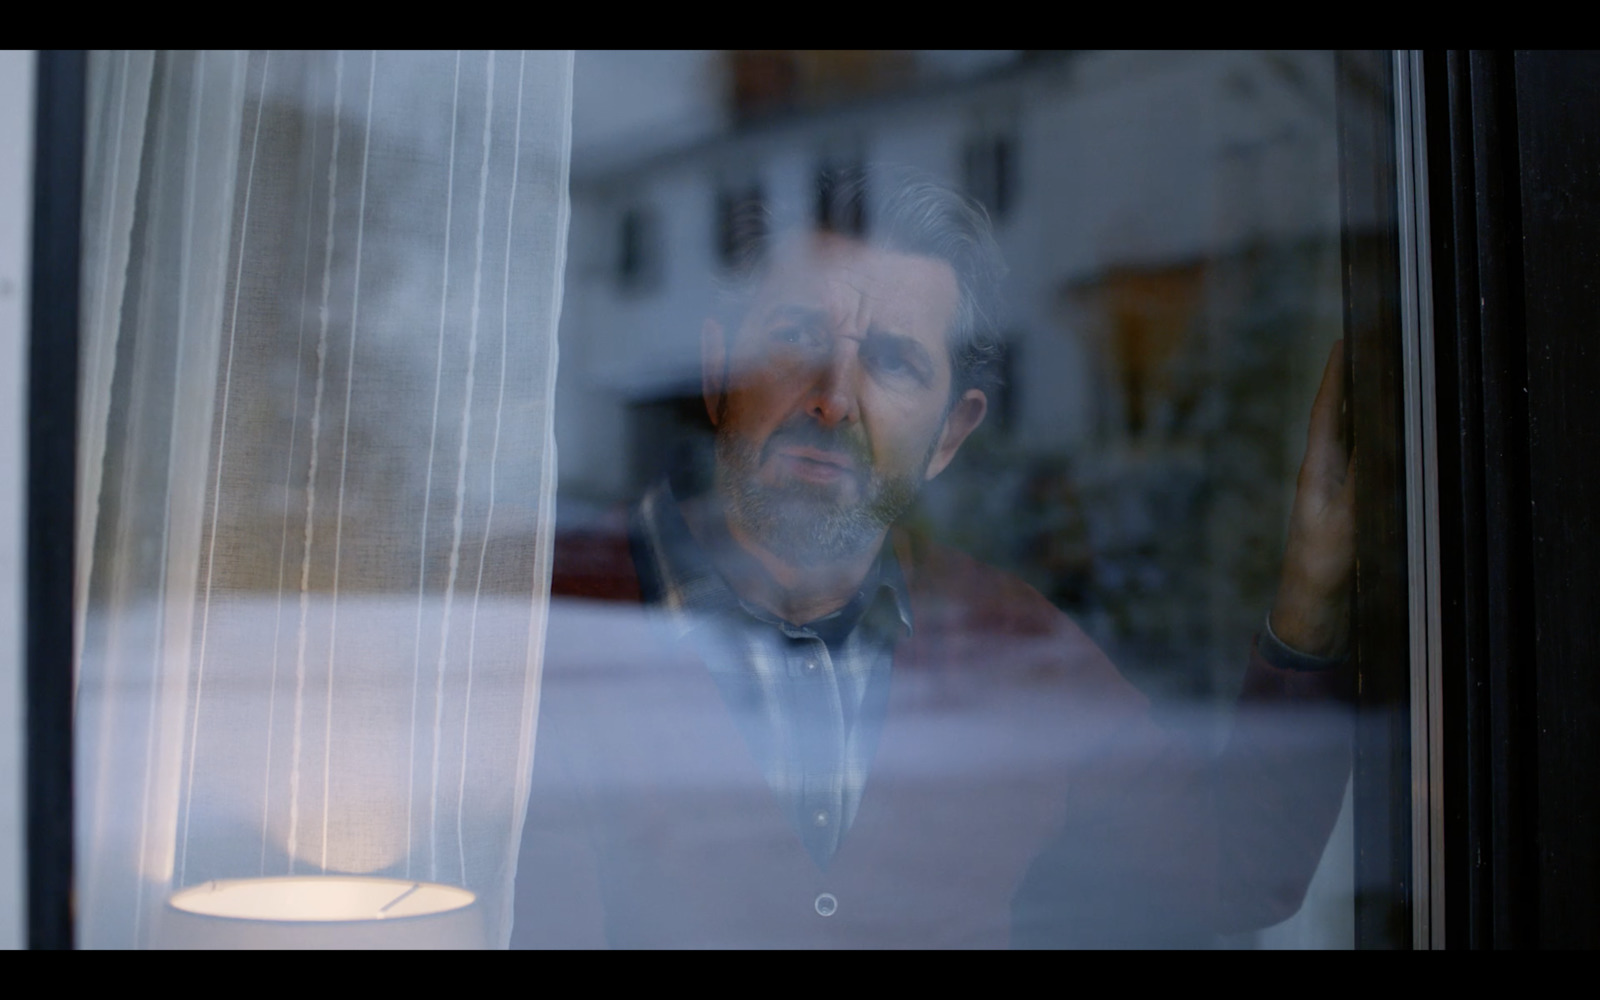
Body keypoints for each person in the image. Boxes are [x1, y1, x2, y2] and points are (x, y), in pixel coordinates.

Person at [511, 170, 1354, 949]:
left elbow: (1233, 872)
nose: (833, 398)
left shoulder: (1014, 647)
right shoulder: (536, 618)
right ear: (715, 370)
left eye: (893, 362)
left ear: (951, 433)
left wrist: (1311, 592)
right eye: (797, 336)